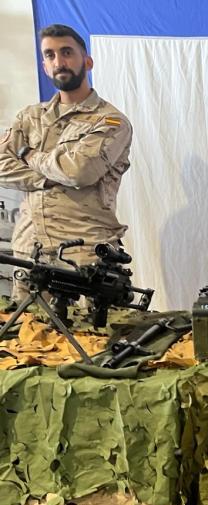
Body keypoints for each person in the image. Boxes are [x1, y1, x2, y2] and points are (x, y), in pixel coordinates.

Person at [0, 23, 132, 304]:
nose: (59, 62)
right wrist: (45, 177)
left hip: (85, 253)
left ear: (87, 61)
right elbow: (1, 164)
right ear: (45, 66)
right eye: (49, 55)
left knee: (96, 342)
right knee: (28, 342)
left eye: (67, 52)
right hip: (29, 251)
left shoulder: (110, 121)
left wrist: (28, 155)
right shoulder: (29, 117)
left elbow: (79, 171)